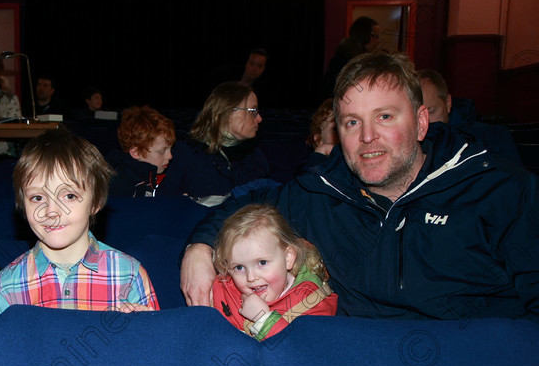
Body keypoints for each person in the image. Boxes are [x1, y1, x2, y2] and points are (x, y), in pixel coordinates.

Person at [181, 52, 539, 322]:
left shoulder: (502, 192)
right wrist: (199, 248)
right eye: (353, 122)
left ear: (420, 121)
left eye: (385, 116)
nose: (367, 137)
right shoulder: (320, 193)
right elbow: (249, 206)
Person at [0, 129, 159, 321]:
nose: (51, 211)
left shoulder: (129, 276)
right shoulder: (8, 286)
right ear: (23, 206)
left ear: (95, 202)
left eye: (69, 196)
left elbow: (156, 348)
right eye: (37, 197)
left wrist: (143, 334)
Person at [212, 204, 337, 341]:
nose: (251, 277)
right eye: (239, 267)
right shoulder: (224, 288)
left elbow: (302, 353)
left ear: (288, 258)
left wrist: (264, 319)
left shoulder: (313, 303)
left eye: (262, 263)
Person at [108, 105, 229, 199]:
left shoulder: (166, 175)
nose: (170, 156)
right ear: (136, 152)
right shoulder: (119, 186)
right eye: (162, 151)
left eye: (170, 149)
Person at [418, 68, 522, 164]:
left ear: (448, 103)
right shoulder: (409, 143)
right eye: (416, 116)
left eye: (431, 111)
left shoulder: (492, 138)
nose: (424, 122)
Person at [189, 81, 271, 190]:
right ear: (228, 112)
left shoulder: (255, 159)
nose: (259, 119)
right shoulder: (190, 155)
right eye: (253, 111)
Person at [319, 16, 381, 100]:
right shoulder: (345, 61)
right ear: (364, 35)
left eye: (378, 36)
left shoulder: (364, 61)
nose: (377, 41)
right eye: (374, 35)